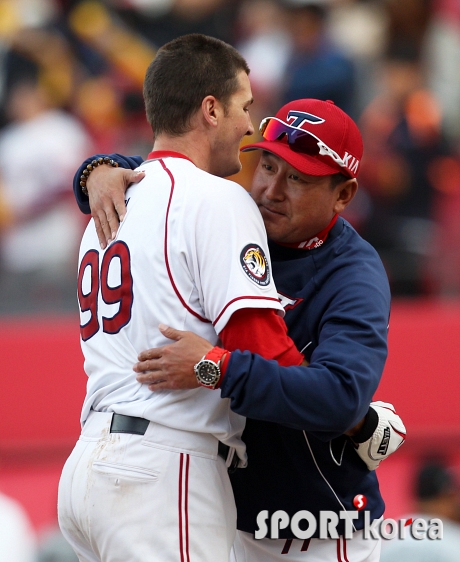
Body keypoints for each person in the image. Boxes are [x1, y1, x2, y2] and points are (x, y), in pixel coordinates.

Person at [72, 95, 406, 561]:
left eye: (298, 179)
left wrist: (213, 369)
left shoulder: (354, 273)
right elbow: (172, 171)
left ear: (343, 195)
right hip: (231, 518)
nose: (271, 189)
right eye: (268, 166)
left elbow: (339, 397)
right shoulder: (231, 218)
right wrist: (100, 170)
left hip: (318, 529)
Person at [59, 33, 316, 562]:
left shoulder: (109, 200)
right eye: (245, 107)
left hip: (90, 465)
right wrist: (341, 405)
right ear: (210, 109)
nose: (250, 126)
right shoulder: (218, 198)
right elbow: (261, 346)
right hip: (162, 467)